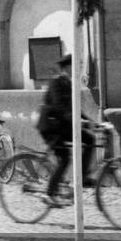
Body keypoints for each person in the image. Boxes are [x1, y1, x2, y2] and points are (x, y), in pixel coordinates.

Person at [37, 53, 95, 203]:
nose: (78, 69)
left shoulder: (68, 83)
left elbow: (74, 107)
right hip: (51, 127)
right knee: (64, 159)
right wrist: (77, 121)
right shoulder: (56, 83)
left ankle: (82, 177)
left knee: (90, 139)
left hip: (61, 126)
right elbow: (59, 107)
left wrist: (89, 121)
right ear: (68, 67)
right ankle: (49, 194)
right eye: (76, 66)